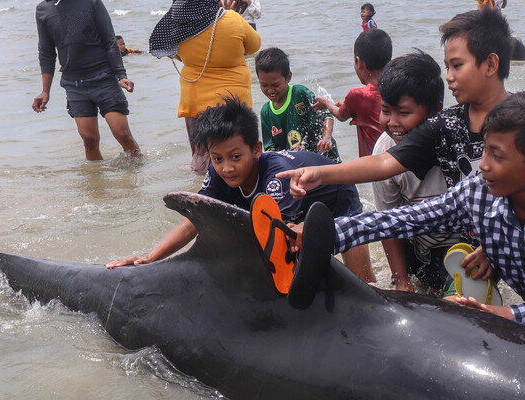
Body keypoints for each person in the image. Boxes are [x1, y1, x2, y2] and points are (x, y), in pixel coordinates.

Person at [296, 92, 525, 350]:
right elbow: (408, 219)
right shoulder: (479, 191)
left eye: (497, 156)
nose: (484, 165)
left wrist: (508, 315)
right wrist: (330, 234)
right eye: (485, 150)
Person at [106, 95, 374, 282]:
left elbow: (277, 237)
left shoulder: (275, 176)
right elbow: (195, 221)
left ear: (256, 149)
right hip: (294, 210)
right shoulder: (219, 173)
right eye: (217, 158)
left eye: (236, 157)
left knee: (362, 281)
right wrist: (150, 258)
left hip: (335, 194)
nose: (227, 168)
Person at [278, 9, 513, 206]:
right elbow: (383, 162)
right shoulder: (446, 124)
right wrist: (320, 173)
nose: (449, 77)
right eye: (447, 67)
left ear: (491, 64)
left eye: (457, 66)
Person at [371, 51, 450, 293]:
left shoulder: (454, 146)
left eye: (404, 113)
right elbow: (388, 221)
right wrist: (401, 280)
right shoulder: (383, 150)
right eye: (386, 111)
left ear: (435, 111)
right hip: (417, 244)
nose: (393, 122)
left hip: (459, 245)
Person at [150, 0, 261, 172]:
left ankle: (200, 188)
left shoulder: (179, 24)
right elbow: (254, 46)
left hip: (195, 99)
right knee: (236, 155)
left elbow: (178, 56)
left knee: (201, 156)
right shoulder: (232, 18)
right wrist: (228, 15)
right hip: (232, 100)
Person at [32, 0, 141, 160]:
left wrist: (121, 75)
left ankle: (138, 177)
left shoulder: (91, 2)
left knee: (123, 134)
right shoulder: (43, 10)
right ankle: (97, 183)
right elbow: (46, 52)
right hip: (74, 85)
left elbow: (109, 41)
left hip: (104, 78)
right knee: (89, 141)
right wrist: (45, 91)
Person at [314, 28, 391, 159]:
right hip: (398, 158)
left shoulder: (358, 95)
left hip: (376, 163)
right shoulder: (397, 88)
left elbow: (341, 115)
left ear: (359, 61)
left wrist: (326, 102)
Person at [255, 47, 341, 162]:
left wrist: (326, 137)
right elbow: (270, 148)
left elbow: (326, 116)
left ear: (288, 77)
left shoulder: (300, 94)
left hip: (324, 157)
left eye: (275, 85)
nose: (270, 90)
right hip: (296, 165)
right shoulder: (266, 112)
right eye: (264, 85)